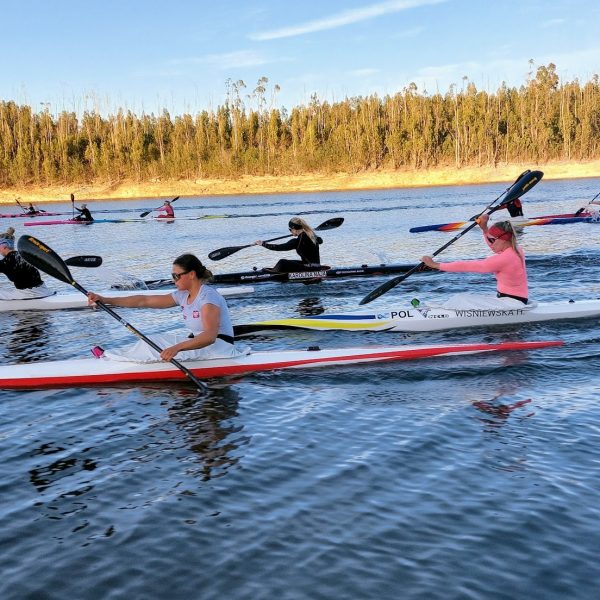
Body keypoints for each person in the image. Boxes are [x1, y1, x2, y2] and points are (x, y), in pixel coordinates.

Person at [87, 253, 245, 363]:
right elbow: (144, 300)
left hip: (219, 348)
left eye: (177, 276)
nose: (173, 279)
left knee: (155, 341)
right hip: (202, 345)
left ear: (191, 274)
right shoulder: (183, 295)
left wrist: (177, 348)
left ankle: (109, 357)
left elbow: (210, 336)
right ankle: (113, 356)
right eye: (172, 276)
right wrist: (106, 299)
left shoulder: (208, 297)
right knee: (152, 341)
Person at [421, 215, 529, 309]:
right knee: (465, 299)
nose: (491, 245)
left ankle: (441, 312)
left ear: (503, 239)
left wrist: (435, 265)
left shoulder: (503, 259)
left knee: (461, 299)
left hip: (512, 304)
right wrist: (485, 229)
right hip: (515, 300)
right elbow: (494, 245)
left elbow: (467, 266)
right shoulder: (517, 250)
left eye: (492, 240)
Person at [0, 227, 53, 300]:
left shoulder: (4, 263)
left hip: (29, 295)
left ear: (4, 246)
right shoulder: (26, 255)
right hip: (45, 290)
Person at [255, 217, 323, 273]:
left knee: (282, 262)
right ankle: (275, 271)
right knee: (290, 262)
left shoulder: (297, 241)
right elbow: (320, 241)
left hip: (310, 269)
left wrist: (263, 244)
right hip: (316, 266)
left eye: (290, 230)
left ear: (294, 229)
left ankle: (271, 274)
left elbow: (279, 247)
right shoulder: (312, 236)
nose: (290, 231)